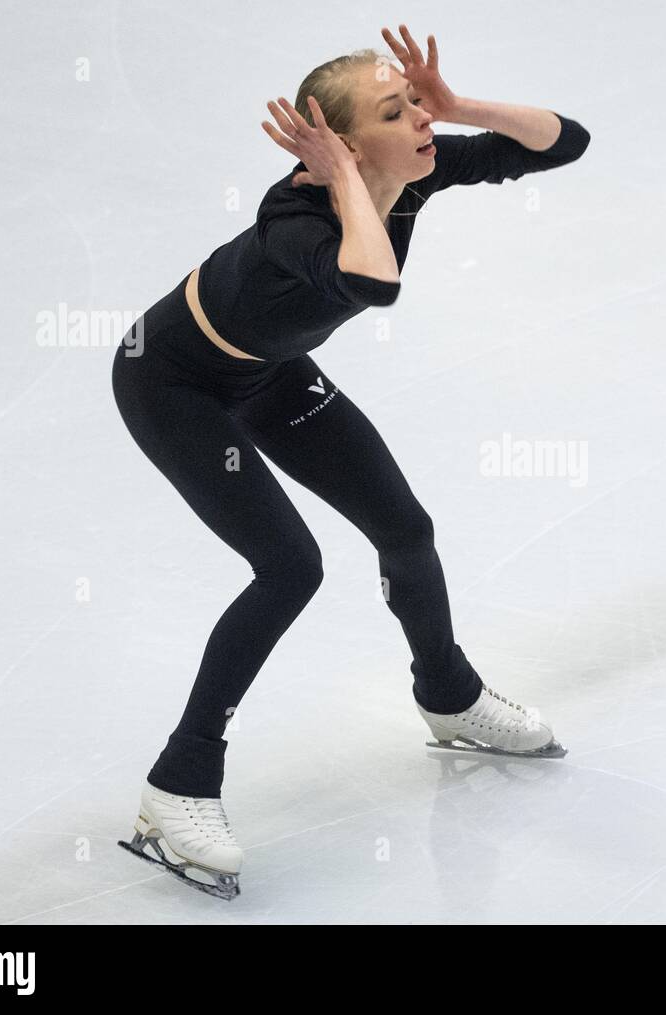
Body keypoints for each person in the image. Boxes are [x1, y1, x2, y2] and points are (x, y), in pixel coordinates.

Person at [112, 26, 590, 899]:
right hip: (173, 383)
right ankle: (176, 785)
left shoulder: (410, 165)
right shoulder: (293, 221)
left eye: (414, 104)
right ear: (334, 143)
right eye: (393, 112)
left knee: (404, 528)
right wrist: (339, 181)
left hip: (265, 374)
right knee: (289, 566)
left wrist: (460, 109)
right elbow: (374, 283)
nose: (417, 122)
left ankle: (446, 692)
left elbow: (566, 144)